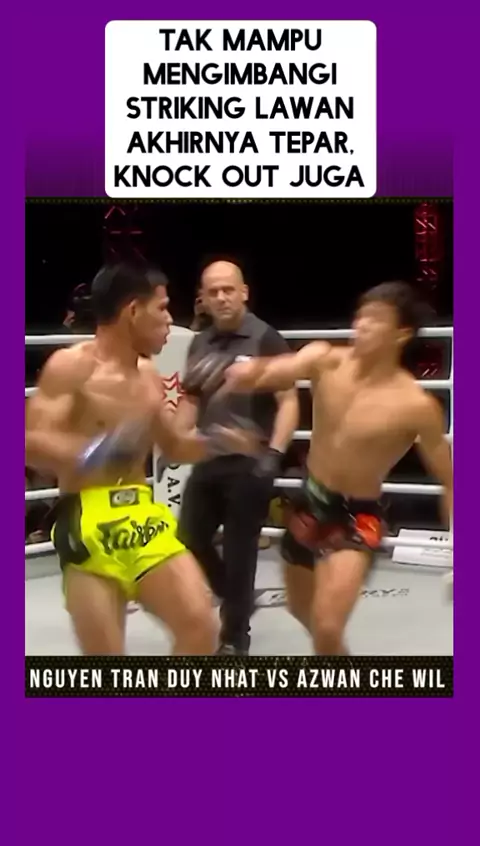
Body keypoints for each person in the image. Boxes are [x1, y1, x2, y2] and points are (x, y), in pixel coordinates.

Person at [25, 262, 259, 656]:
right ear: (133, 310)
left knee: (200, 626)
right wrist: (98, 451)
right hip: (87, 517)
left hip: (141, 514)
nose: (169, 319)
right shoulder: (73, 366)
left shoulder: (149, 376)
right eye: (162, 308)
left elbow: (174, 445)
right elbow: (30, 441)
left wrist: (222, 441)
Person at [223, 282, 453, 655]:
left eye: (375, 319)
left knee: (328, 626)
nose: (361, 324)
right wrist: (249, 373)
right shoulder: (326, 359)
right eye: (360, 315)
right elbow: (282, 368)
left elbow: (450, 480)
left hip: (359, 516)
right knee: (305, 614)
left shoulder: (415, 405)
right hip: (310, 500)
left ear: (401, 334)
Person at [175, 259, 299, 655]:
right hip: (208, 457)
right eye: (213, 291)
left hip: (250, 461)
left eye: (228, 289)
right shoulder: (199, 342)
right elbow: (191, 399)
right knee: (189, 537)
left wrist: (273, 455)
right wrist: (176, 438)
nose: (222, 297)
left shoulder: (265, 338)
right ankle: (236, 599)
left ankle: (234, 638)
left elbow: (288, 400)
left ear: (244, 292)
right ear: (203, 298)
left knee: (240, 550)